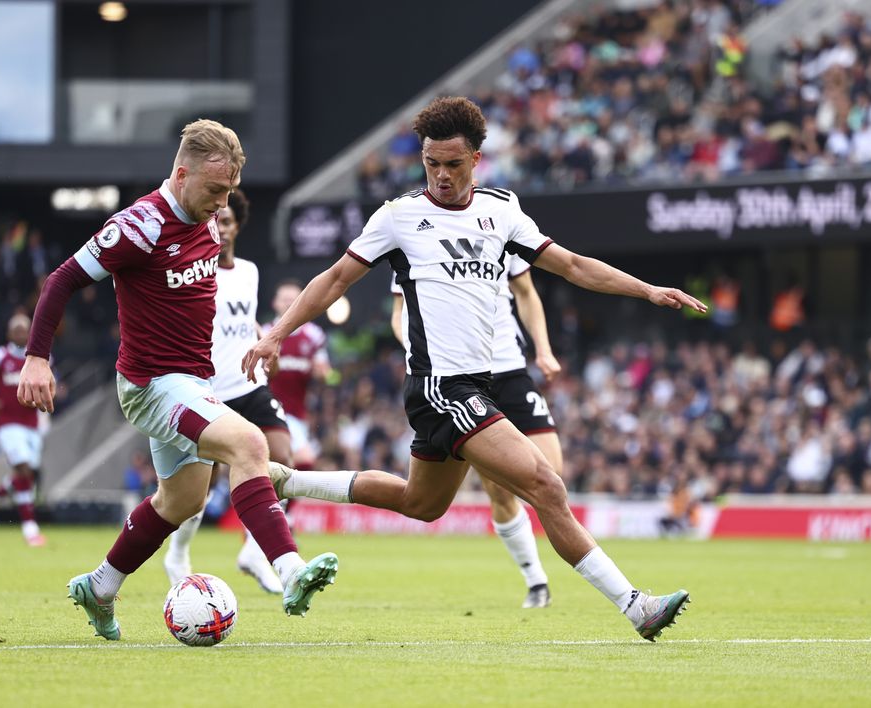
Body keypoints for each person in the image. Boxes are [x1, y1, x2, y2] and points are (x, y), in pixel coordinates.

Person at [244, 97, 704, 641]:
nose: (440, 176)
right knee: (546, 484)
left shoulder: (501, 212)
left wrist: (647, 288)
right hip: (441, 387)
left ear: (476, 161)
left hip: (477, 385)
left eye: (453, 165)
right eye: (431, 163)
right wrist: (276, 332)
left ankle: (287, 480)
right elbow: (335, 279)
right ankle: (636, 607)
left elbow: (574, 265)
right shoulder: (398, 217)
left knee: (423, 503)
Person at [17, 118, 336, 641]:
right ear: (181, 173)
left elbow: (197, 301)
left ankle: (99, 587)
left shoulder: (207, 221)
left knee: (182, 501)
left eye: (230, 191)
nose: (222, 203)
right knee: (250, 444)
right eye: (214, 190)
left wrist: (255, 334)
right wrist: (37, 357)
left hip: (193, 382)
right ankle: (288, 569)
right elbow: (63, 279)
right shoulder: (138, 226)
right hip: (152, 385)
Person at [389, 252, 562, 609]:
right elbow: (400, 313)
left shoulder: (500, 227)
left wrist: (543, 350)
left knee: (551, 474)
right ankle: (536, 581)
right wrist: (420, 351)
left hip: (510, 369)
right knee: (500, 492)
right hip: (458, 380)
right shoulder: (412, 240)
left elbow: (527, 292)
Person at [162, 188, 289, 594]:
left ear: (237, 226)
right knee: (198, 488)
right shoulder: (195, 270)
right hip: (207, 388)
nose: (222, 227)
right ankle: (178, 552)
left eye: (229, 221)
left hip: (250, 384)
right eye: (216, 219)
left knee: (284, 459)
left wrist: (264, 340)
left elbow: (245, 319)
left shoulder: (250, 272)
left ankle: (254, 550)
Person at [0, 314, 47, 546]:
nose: (19, 333)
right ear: (9, 333)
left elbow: (48, 383)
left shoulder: (39, 359)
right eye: (15, 329)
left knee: (27, 474)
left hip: (32, 424)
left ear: (29, 333)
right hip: (8, 424)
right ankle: (30, 529)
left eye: (23, 329)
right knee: (24, 469)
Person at [263, 279, 331, 468]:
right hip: (270, 408)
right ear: (275, 303)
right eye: (284, 299)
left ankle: (278, 497)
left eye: (293, 300)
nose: (288, 304)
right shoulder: (265, 334)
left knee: (286, 463)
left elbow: (327, 374)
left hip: (300, 411)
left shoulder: (314, 335)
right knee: (304, 460)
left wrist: (325, 374)